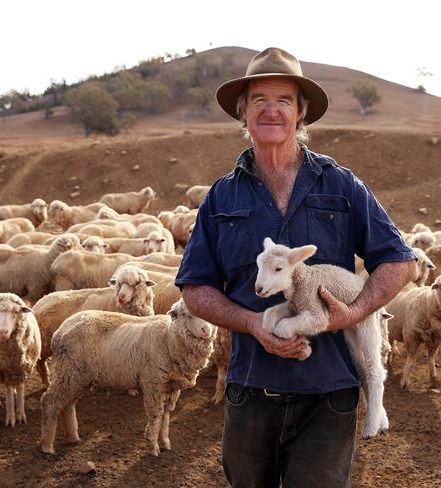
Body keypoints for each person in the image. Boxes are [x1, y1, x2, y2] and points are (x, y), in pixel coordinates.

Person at [176, 47, 416, 488]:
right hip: (251, 390)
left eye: (284, 100)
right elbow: (195, 288)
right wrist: (252, 322)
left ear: (301, 113)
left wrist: (357, 311)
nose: (271, 110)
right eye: (259, 99)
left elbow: (400, 262)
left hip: (328, 395)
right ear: (243, 113)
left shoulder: (342, 186)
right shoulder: (221, 199)